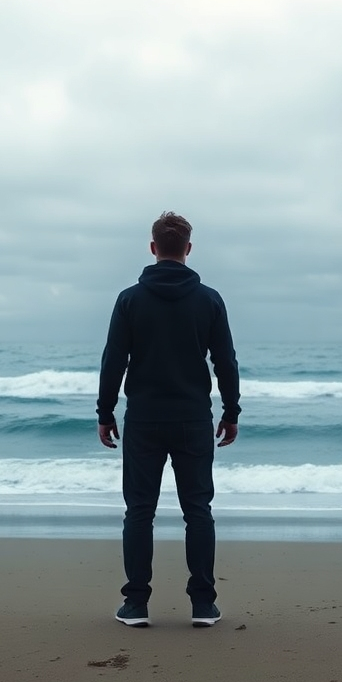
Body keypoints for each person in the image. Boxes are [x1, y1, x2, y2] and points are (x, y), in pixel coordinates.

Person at [97, 212, 241, 629]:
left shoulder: (130, 299)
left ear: (153, 248)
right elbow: (225, 362)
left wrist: (105, 412)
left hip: (143, 419)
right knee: (198, 510)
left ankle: (137, 605)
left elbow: (114, 362)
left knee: (139, 511)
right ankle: (203, 605)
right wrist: (231, 412)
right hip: (193, 419)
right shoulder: (209, 299)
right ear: (188, 250)